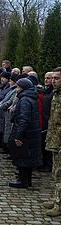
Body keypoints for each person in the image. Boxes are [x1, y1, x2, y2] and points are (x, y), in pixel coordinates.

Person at [8, 78, 42, 188]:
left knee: (23, 156)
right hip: (31, 133)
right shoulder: (29, 98)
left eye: (18, 87)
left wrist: (18, 136)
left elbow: (24, 119)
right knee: (27, 156)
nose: (16, 89)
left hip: (26, 134)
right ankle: (26, 180)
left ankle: (23, 180)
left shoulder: (25, 100)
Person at [44, 67, 61, 216]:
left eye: (57, 78)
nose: (53, 81)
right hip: (54, 139)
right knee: (56, 173)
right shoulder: (56, 95)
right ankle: (57, 199)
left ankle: (59, 204)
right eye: (53, 78)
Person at [38, 72, 54, 172]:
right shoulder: (44, 91)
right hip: (42, 120)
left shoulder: (53, 93)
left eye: (49, 78)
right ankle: (43, 163)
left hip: (49, 120)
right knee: (42, 144)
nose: (46, 80)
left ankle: (48, 165)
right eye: (45, 78)